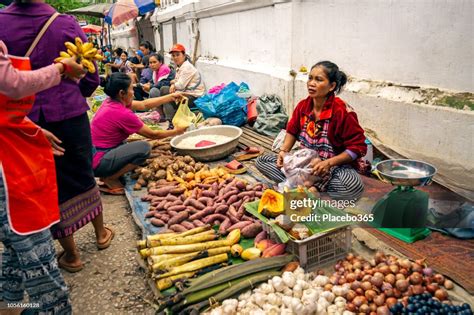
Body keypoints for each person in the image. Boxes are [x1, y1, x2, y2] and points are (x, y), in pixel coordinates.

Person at [0, 0, 114, 274]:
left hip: (23, 122)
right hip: (70, 114)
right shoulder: (65, 23)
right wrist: (79, 88)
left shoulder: (1, 24)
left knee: (49, 186)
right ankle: (100, 234)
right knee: (83, 172)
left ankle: (72, 254)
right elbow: (90, 74)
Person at [0, 39, 85, 314]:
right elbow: (10, 83)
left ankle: (7, 305)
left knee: (14, 247)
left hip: (13, 147)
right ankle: (53, 308)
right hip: (7, 167)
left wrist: (28, 126)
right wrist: (60, 69)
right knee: (34, 247)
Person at [256, 61, 367, 201]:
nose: (311, 83)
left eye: (318, 79)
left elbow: (358, 148)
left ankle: (310, 187)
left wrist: (329, 163)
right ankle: (309, 187)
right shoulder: (303, 106)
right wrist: (283, 152)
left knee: (352, 186)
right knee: (262, 160)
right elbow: (291, 131)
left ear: (332, 86)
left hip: (334, 167)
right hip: (304, 165)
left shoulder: (342, 111)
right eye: (310, 78)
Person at [91, 73, 185, 194]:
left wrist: (171, 96)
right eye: (131, 88)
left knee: (132, 145)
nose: (134, 92)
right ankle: (110, 178)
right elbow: (153, 134)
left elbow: (143, 104)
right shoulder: (121, 113)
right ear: (121, 93)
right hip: (99, 162)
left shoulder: (111, 101)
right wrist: (176, 131)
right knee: (143, 148)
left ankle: (109, 173)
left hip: (95, 157)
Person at [160, 43, 205, 121]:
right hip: (186, 92)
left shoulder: (186, 67)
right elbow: (176, 81)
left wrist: (173, 85)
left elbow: (180, 85)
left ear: (184, 55)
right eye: (173, 56)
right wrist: (173, 83)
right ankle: (171, 118)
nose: (175, 57)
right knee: (166, 92)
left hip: (194, 97)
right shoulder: (180, 66)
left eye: (178, 55)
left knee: (165, 91)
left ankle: (171, 120)